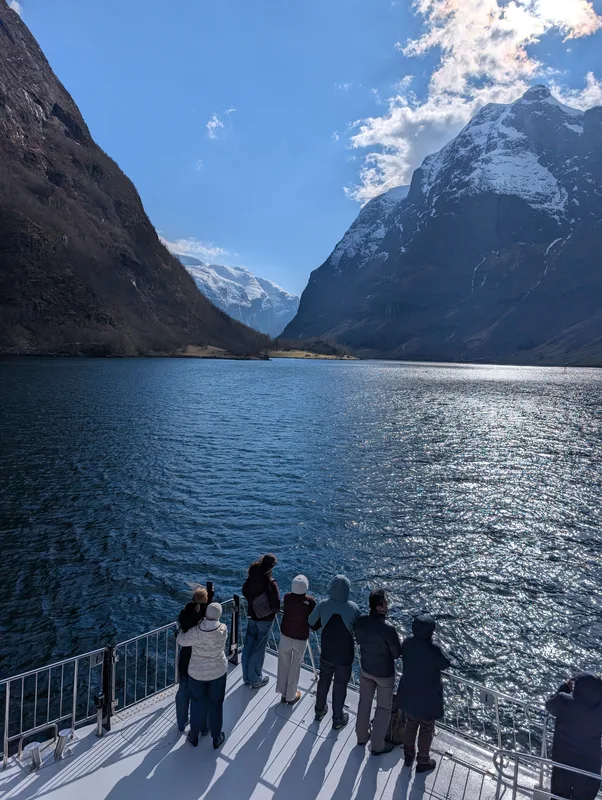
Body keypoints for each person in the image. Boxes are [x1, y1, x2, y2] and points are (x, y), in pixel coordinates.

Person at [396, 613, 451, 773]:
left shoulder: (407, 643)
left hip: (410, 693)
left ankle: (408, 755)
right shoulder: (433, 649)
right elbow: (445, 663)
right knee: (426, 728)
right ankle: (423, 761)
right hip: (427, 698)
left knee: (411, 723)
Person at [309, 574, 360, 730]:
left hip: (327, 652)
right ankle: (337, 718)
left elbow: (311, 623)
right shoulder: (353, 608)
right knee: (340, 685)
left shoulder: (323, 604)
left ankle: (319, 711)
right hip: (344, 656)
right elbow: (358, 633)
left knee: (323, 680)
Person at [354, 588, 402, 755]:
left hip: (366, 668)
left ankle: (361, 737)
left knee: (364, 702)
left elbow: (359, 639)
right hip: (384, 674)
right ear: (379, 608)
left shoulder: (360, 621)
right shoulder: (388, 629)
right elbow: (396, 654)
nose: (387, 604)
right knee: (383, 708)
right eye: (385, 603)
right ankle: (377, 745)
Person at [176, 602, 228, 749]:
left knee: (197, 703)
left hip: (197, 673)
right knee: (216, 704)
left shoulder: (197, 632)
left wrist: (182, 630)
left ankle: (194, 735)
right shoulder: (223, 629)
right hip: (218, 672)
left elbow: (181, 641)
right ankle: (216, 737)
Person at [546, 673, 602, 800]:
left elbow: (549, 705)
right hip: (589, 772)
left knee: (558, 798)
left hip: (563, 766)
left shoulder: (563, 701)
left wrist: (564, 688)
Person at [175, 585, 211, 733]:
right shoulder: (206, 617)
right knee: (200, 695)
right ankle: (202, 725)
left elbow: (183, 630)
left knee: (183, 691)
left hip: (186, 657)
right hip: (200, 659)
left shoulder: (185, 614)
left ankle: (181, 722)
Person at [242, 554, 280, 689]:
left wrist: (254, 602)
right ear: (272, 566)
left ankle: (246, 678)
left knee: (248, 645)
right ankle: (256, 679)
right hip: (265, 619)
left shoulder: (252, 576)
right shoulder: (271, 582)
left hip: (252, 616)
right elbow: (276, 606)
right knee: (259, 649)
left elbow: (244, 591)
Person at [276, 575, 316, 704]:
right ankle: (291, 696)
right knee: (295, 666)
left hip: (285, 634)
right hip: (300, 638)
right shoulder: (310, 601)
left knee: (283, 663)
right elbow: (313, 618)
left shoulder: (287, 597)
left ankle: (282, 693)